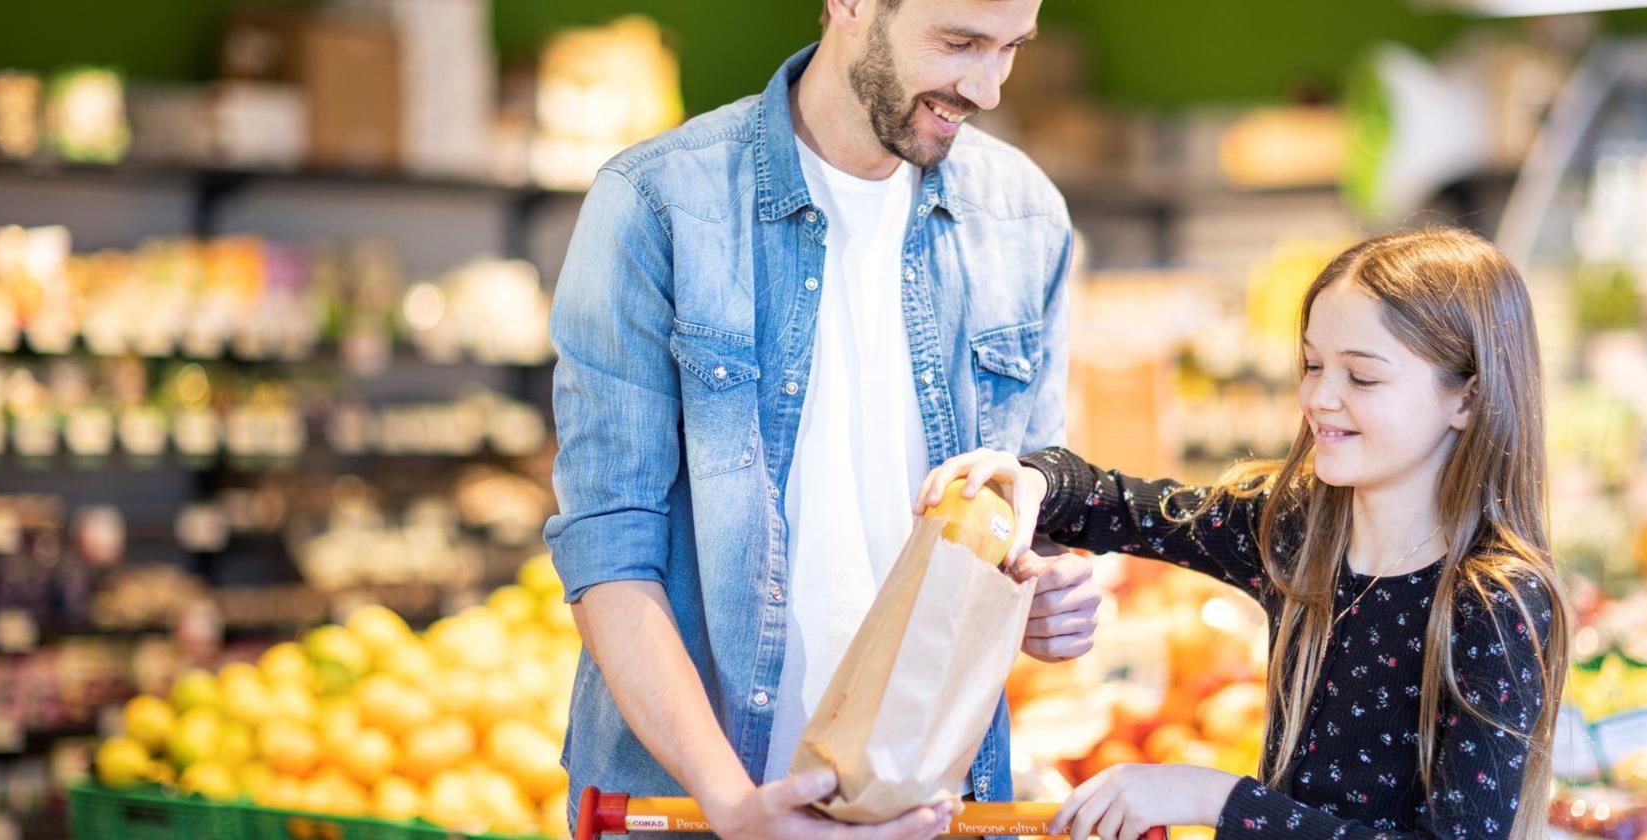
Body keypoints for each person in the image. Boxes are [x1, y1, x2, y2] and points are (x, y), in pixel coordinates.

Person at [544, 0, 1099, 837]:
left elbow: (1025, 504)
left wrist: (1045, 592)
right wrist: (733, 804)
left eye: (1010, 48)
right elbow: (608, 547)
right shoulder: (659, 202)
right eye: (959, 42)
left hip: (927, 804)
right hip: (693, 804)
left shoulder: (1024, 218)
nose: (987, 88)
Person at [918, 228, 1569, 840]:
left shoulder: (1494, 600)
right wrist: (1034, 479)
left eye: (1362, 376)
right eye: (1312, 365)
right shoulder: (1297, 530)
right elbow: (1120, 505)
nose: (1319, 398)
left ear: (1466, 398)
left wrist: (1214, 797)